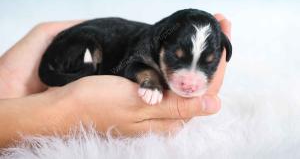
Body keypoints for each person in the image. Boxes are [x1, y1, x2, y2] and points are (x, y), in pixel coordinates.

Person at [0, 14, 231, 148]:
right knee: (87, 47)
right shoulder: (147, 47)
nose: (190, 80)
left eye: (207, 63)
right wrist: (64, 108)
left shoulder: (164, 42)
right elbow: (134, 66)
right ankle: (73, 75)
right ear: (159, 43)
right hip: (80, 44)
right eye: (176, 58)